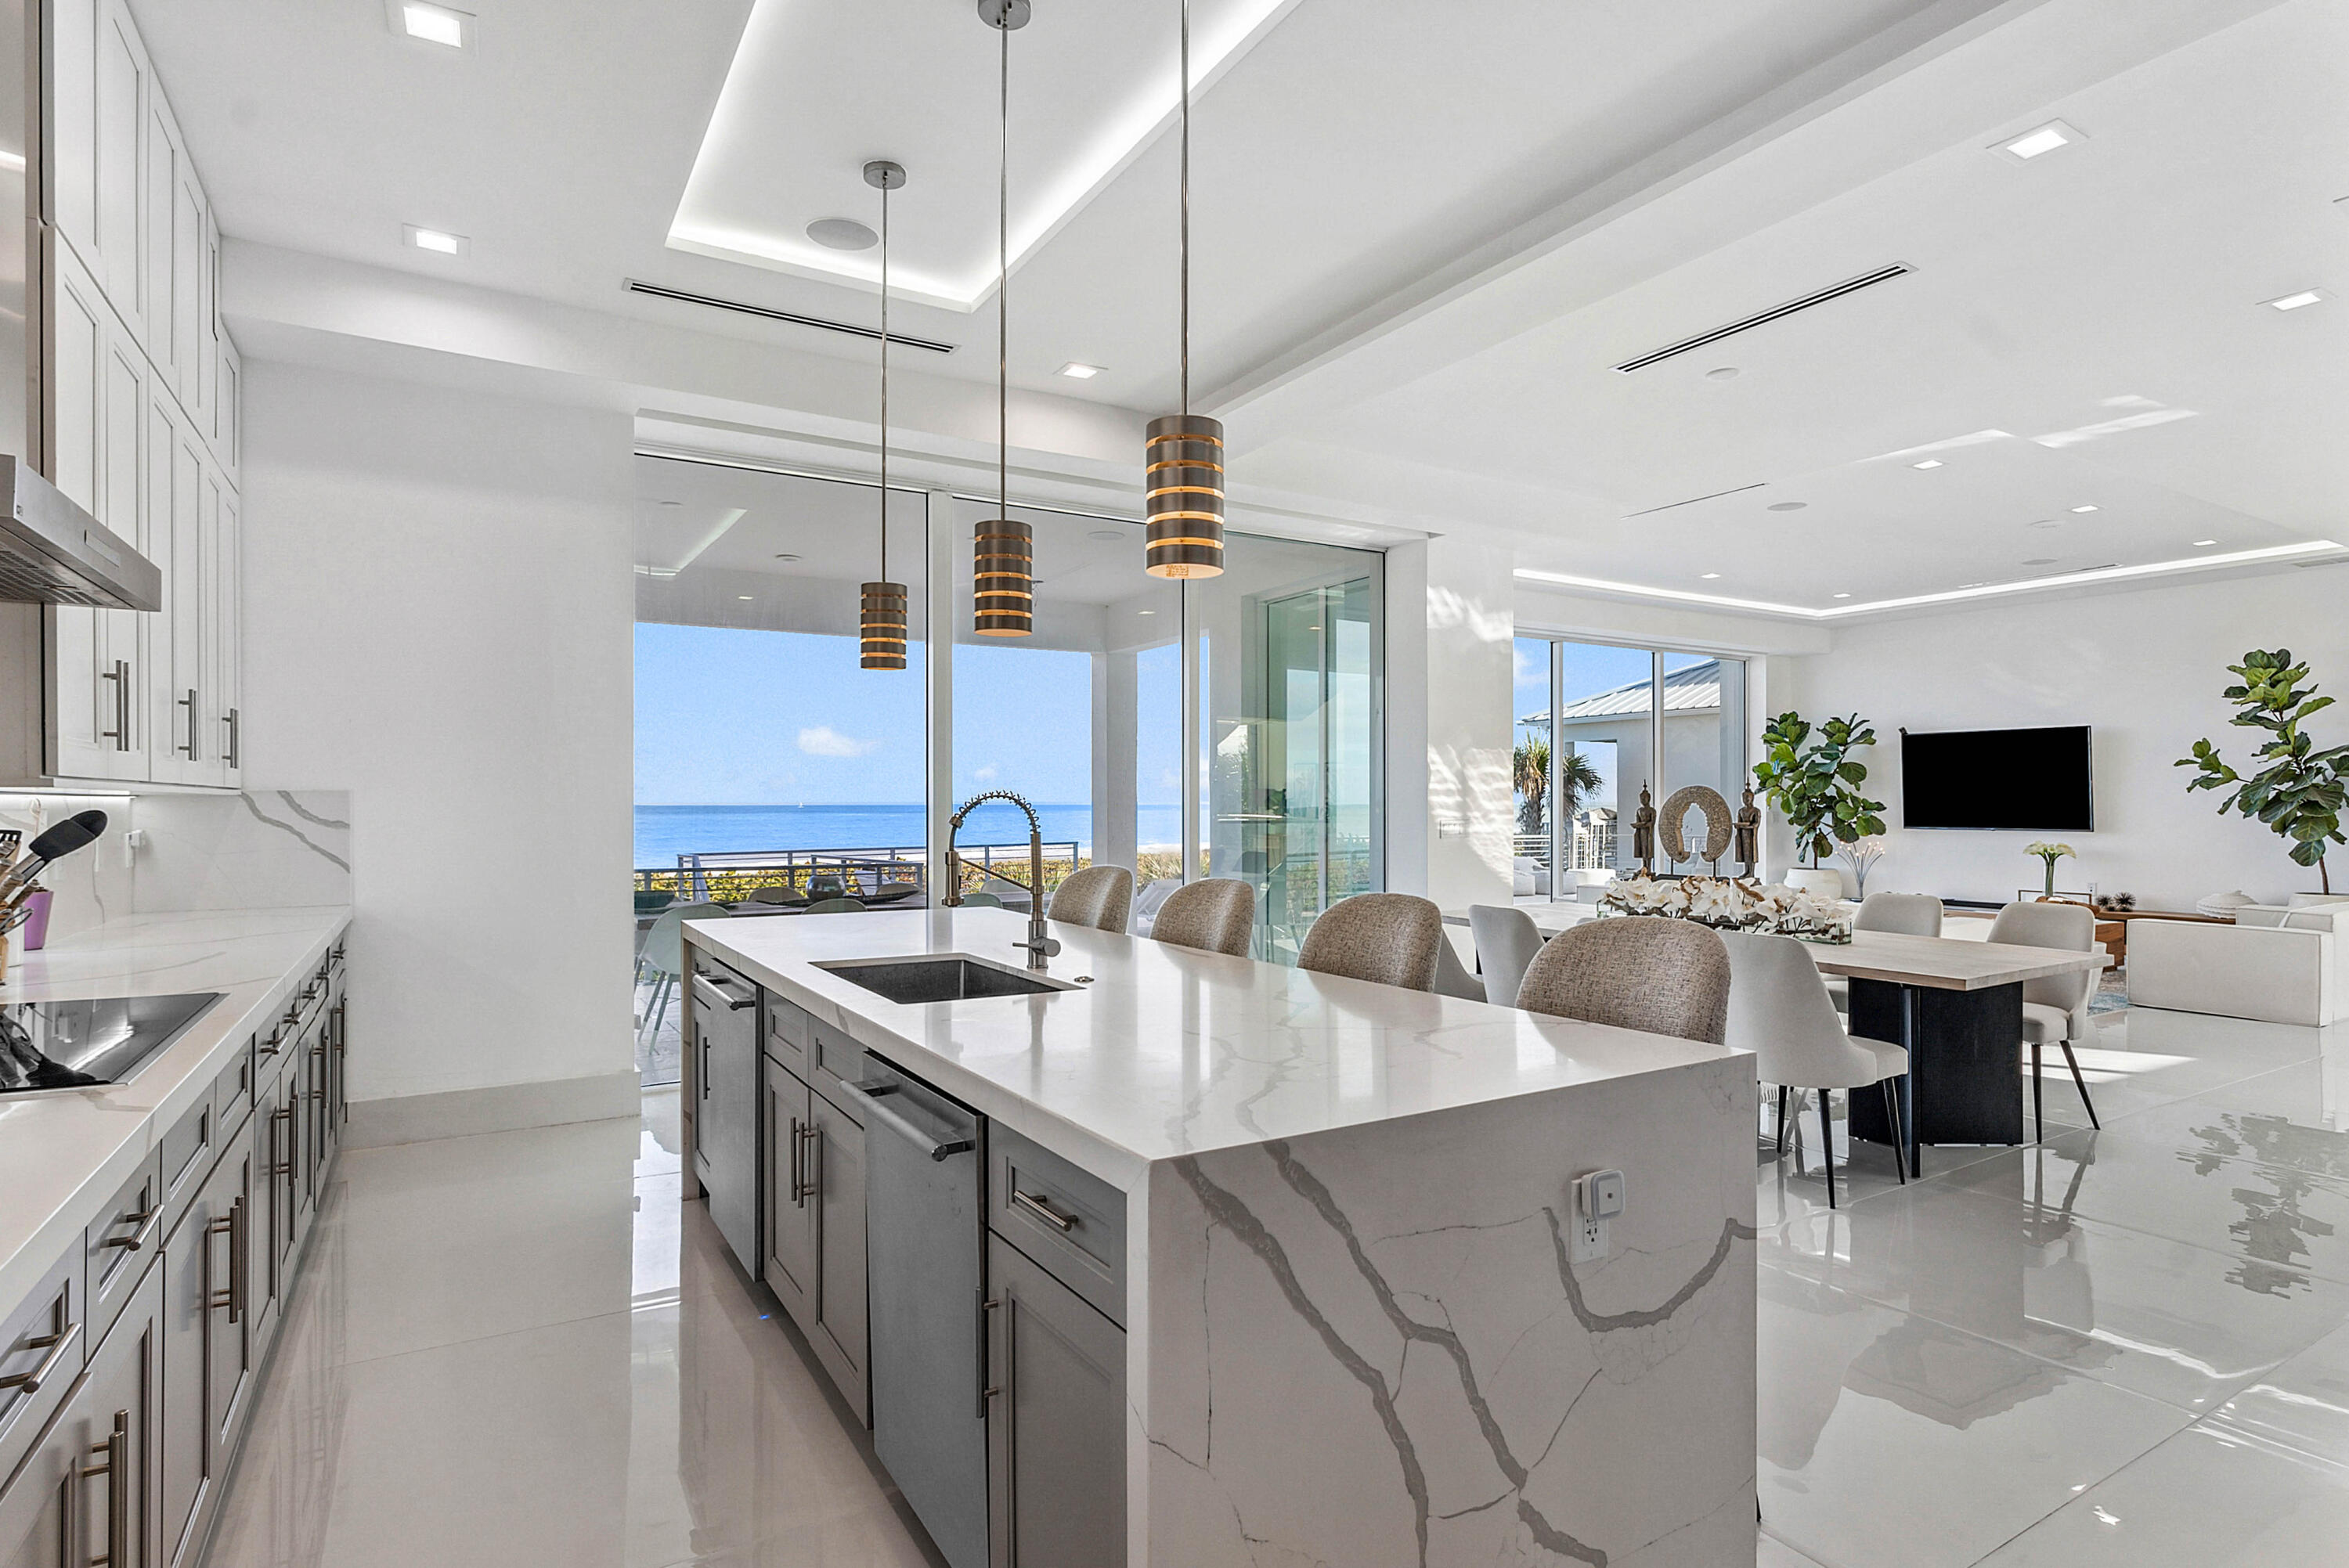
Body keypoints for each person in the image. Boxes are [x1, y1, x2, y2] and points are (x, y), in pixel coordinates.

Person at [1735, 785, 1763, 876]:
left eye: (1748, 797)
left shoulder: (1756, 811)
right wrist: (1739, 826)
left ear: (1752, 798)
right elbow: (1739, 822)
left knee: (1751, 853)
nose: (1745, 800)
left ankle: (1751, 872)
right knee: (1745, 853)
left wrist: (1748, 827)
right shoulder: (1741, 811)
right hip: (1743, 834)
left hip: (1751, 834)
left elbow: (1756, 823)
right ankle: (1746, 870)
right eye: (1744, 798)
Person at [1632, 783, 1657, 872]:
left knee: (1649, 850)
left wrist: (1644, 824)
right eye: (1641, 798)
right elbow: (1638, 821)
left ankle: (1649, 867)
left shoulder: (1652, 810)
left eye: (1644, 798)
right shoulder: (1639, 810)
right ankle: (1644, 867)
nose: (1643, 800)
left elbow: (1652, 822)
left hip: (1649, 832)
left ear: (1649, 798)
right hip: (1641, 832)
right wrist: (1637, 825)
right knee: (1643, 849)